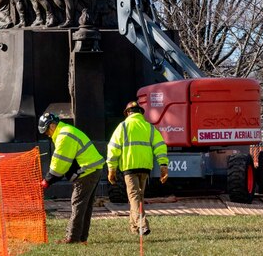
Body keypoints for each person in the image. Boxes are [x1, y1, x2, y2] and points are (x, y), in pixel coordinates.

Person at [38, 112, 105, 244]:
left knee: (78, 204)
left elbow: (59, 165)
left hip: (86, 171)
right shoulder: (66, 131)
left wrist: (47, 180)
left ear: (51, 126)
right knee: (85, 206)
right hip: (93, 169)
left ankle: (72, 238)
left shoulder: (64, 136)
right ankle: (81, 237)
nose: (47, 135)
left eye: (46, 132)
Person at [106, 101, 169, 237]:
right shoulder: (149, 127)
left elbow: (113, 148)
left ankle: (142, 225)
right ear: (140, 112)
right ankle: (134, 228)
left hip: (129, 167)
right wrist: (163, 165)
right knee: (138, 197)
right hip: (145, 167)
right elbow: (160, 146)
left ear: (128, 113)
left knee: (134, 196)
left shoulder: (122, 126)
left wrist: (111, 169)